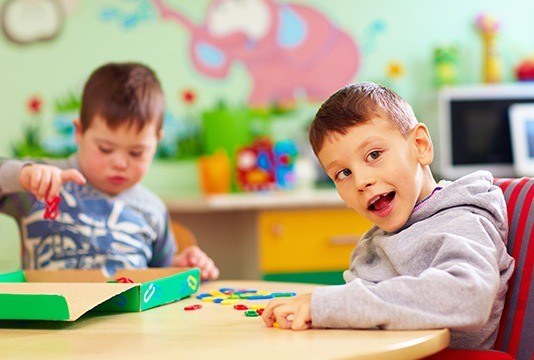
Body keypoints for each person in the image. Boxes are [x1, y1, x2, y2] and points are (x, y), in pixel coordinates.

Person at [261, 82, 514, 350]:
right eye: (343, 173)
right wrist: (319, 310)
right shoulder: (373, 244)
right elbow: (363, 314)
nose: (361, 181)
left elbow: (468, 295)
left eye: (373, 155)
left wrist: (329, 305)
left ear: (420, 145)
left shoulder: (460, 220)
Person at [0, 62, 219, 280]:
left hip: (127, 316)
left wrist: (179, 267)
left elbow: (158, 276)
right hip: (45, 313)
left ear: (156, 142)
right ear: (80, 132)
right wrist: (22, 176)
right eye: (105, 149)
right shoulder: (38, 183)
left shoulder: (152, 210)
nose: (120, 163)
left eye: (136, 152)